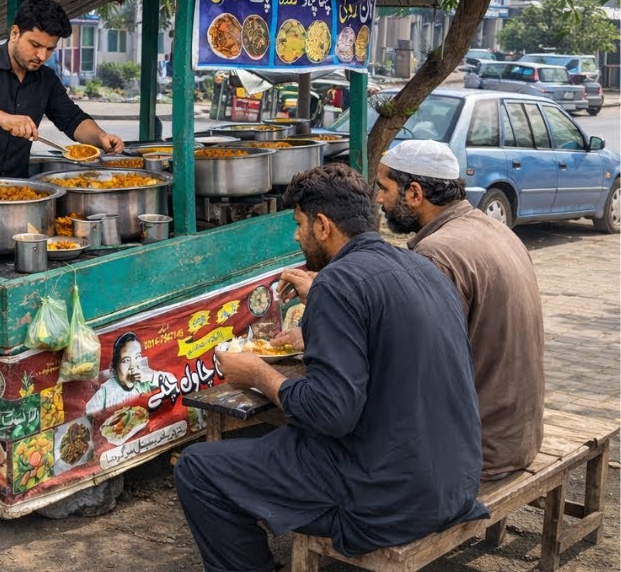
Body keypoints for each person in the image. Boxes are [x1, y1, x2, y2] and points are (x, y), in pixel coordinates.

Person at [174, 164, 487, 572]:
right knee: (279, 445)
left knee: (198, 468)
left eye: (299, 224)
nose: (296, 235)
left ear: (323, 225)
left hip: (390, 501)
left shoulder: (338, 284)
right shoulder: (423, 267)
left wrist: (257, 374)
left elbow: (330, 412)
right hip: (455, 482)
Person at [374, 140, 544, 481]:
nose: (379, 199)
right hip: (517, 436)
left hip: (479, 450)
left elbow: (413, 366)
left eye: (384, 188)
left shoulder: (437, 255)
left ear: (415, 193)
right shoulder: (495, 228)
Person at [0, 0, 124, 177]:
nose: (42, 56)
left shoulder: (46, 79)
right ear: (15, 33)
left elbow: (73, 119)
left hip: (13, 192)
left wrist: (101, 137)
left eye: (49, 49)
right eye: (35, 45)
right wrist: (4, 119)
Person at [85, 332, 176, 416]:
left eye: (137, 357)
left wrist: (151, 376)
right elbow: (87, 413)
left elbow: (173, 381)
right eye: (126, 361)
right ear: (114, 367)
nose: (133, 366)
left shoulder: (146, 379)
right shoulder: (106, 391)